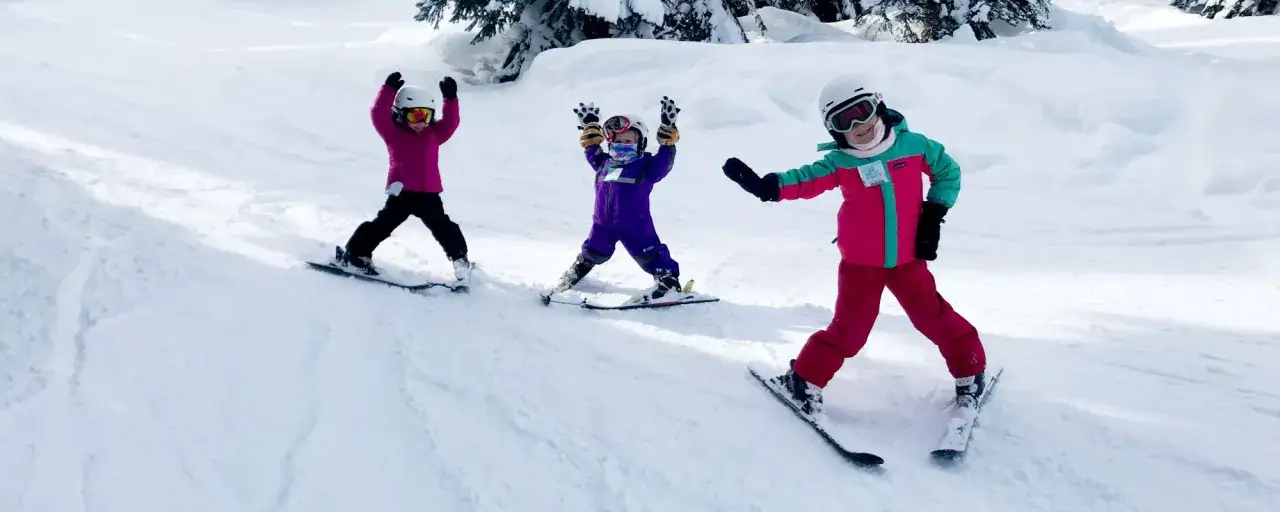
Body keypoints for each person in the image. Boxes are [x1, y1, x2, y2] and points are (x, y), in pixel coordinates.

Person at [721, 75, 987, 417]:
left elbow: (947, 171)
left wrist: (933, 213)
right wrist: (770, 186)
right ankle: (803, 380)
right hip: (861, 266)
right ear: (834, 131)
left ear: (878, 106)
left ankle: (971, 371)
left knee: (934, 318)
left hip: (909, 260)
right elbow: (806, 179)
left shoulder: (915, 145)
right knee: (849, 331)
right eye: (844, 121)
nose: (858, 125)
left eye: (862, 112)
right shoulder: (841, 163)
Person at [333, 71, 473, 285]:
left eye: (427, 115)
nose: (422, 122)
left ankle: (460, 259)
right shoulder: (393, 133)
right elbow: (378, 114)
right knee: (382, 225)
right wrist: (388, 90)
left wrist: (451, 100)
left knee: (443, 227)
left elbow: (450, 124)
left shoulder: (433, 134)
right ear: (400, 113)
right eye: (415, 115)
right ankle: (355, 254)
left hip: (428, 193)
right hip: (402, 193)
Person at [544, 97, 685, 302]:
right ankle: (580, 269)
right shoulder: (605, 164)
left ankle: (668, 280)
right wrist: (591, 126)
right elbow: (592, 149)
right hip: (603, 223)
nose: (621, 145)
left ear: (640, 143)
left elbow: (664, 162)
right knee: (593, 250)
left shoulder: (645, 167)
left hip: (635, 224)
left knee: (649, 253)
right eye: (617, 141)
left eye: (628, 141)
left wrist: (667, 137)